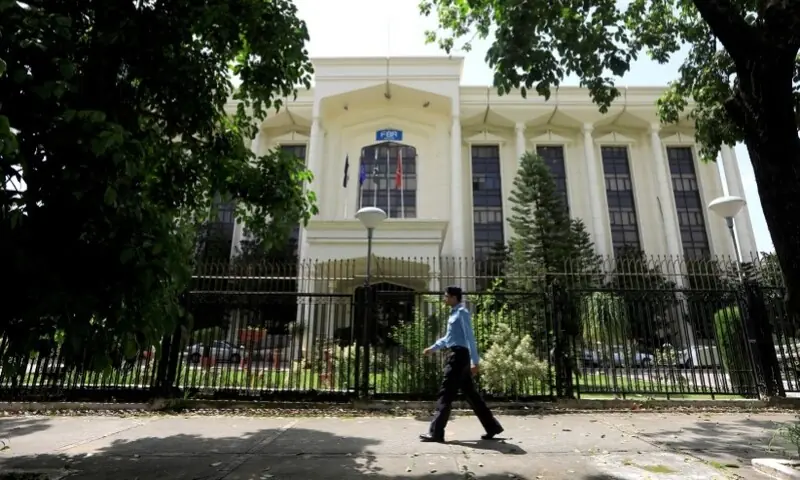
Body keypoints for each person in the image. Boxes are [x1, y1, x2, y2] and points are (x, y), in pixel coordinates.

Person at [419, 285, 504, 443]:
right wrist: (433, 348)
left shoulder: (462, 313)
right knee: (472, 395)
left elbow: (469, 337)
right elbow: (448, 338)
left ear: (453, 297)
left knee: (446, 394)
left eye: (446, 296)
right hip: (458, 356)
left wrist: (475, 361)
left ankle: (436, 432)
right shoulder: (453, 314)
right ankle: (492, 427)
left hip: (459, 358)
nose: (444, 299)